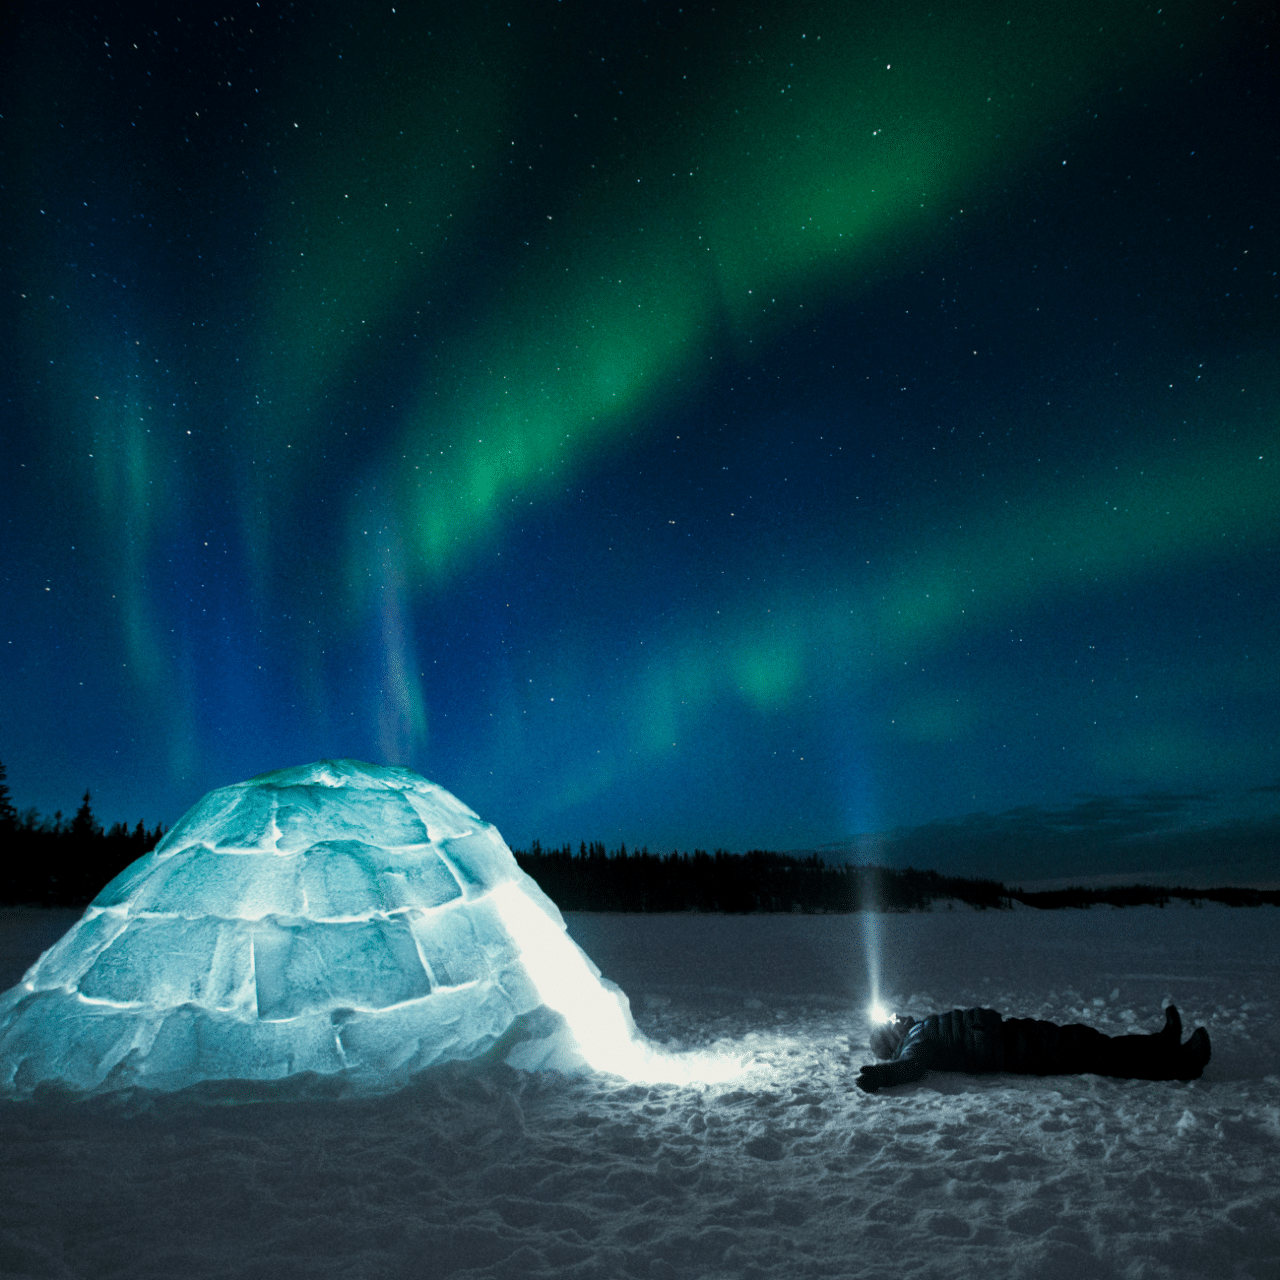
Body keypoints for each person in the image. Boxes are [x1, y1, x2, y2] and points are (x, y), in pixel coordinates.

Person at [857, 1003, 1210, 1093]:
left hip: (1012, 1033)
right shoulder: (915, 1043)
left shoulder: (920, 1027)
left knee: (1087, 1039)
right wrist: (879, 1076)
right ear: (893, 1040)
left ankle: (1161, 1042)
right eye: (891, 1022)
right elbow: (909, 1068)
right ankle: (1183, 1065)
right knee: (1094, 1053)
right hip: (1015, 1051)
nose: (896, 1016)